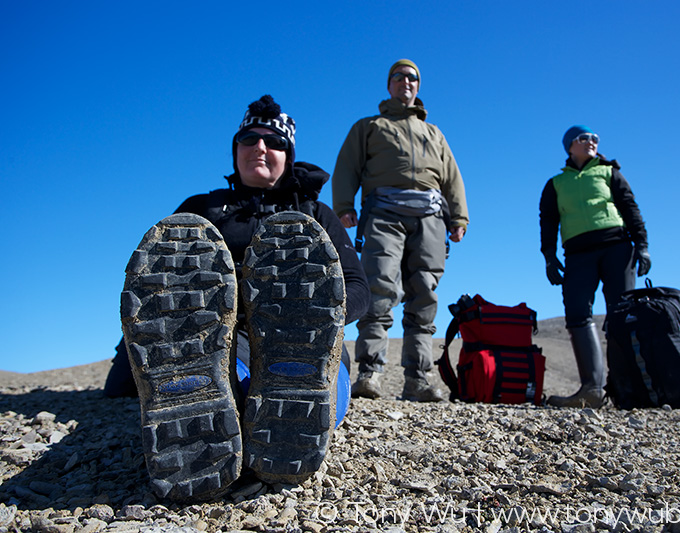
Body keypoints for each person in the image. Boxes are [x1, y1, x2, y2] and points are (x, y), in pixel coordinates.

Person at [104, 95, 369, 502]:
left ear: (289, 154)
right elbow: (160, 288)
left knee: (309, 373)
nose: (260, 147)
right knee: (222, 376)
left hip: (307, 336)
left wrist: (316, 313)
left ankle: (268, 423)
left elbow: (358, 288)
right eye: (249, 138)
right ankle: (209, 414)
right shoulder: (200, 212)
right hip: (220, 336)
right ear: (236, 149)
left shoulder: (317, 213)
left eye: (274, 141)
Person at [331, 59, 469, 402]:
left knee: (424, 290)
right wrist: (344, 206)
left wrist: (459, 217)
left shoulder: (434, 133)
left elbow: (452, 176)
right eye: (399, 77)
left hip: (430, 219)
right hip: (383, 214)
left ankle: (417, 379)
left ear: (418, 86)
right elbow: (347, 166)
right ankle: (369, 373)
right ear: (389, 84)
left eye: (412, 78)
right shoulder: (370, 126)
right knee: (379, 285)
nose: (406, 82)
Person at [539, 125, 651, 408]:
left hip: (617, 247)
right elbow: (548, 222)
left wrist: (642, 245)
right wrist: (549, 257)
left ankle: (628, 389)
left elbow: (630, 207)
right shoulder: (556, 184)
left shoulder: (609, 172)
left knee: (621, 315)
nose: (592, 142)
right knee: (577, 313)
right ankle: (592, 389)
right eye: (584, 138)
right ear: (570, 146)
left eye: (595, 138)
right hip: (578, 254)